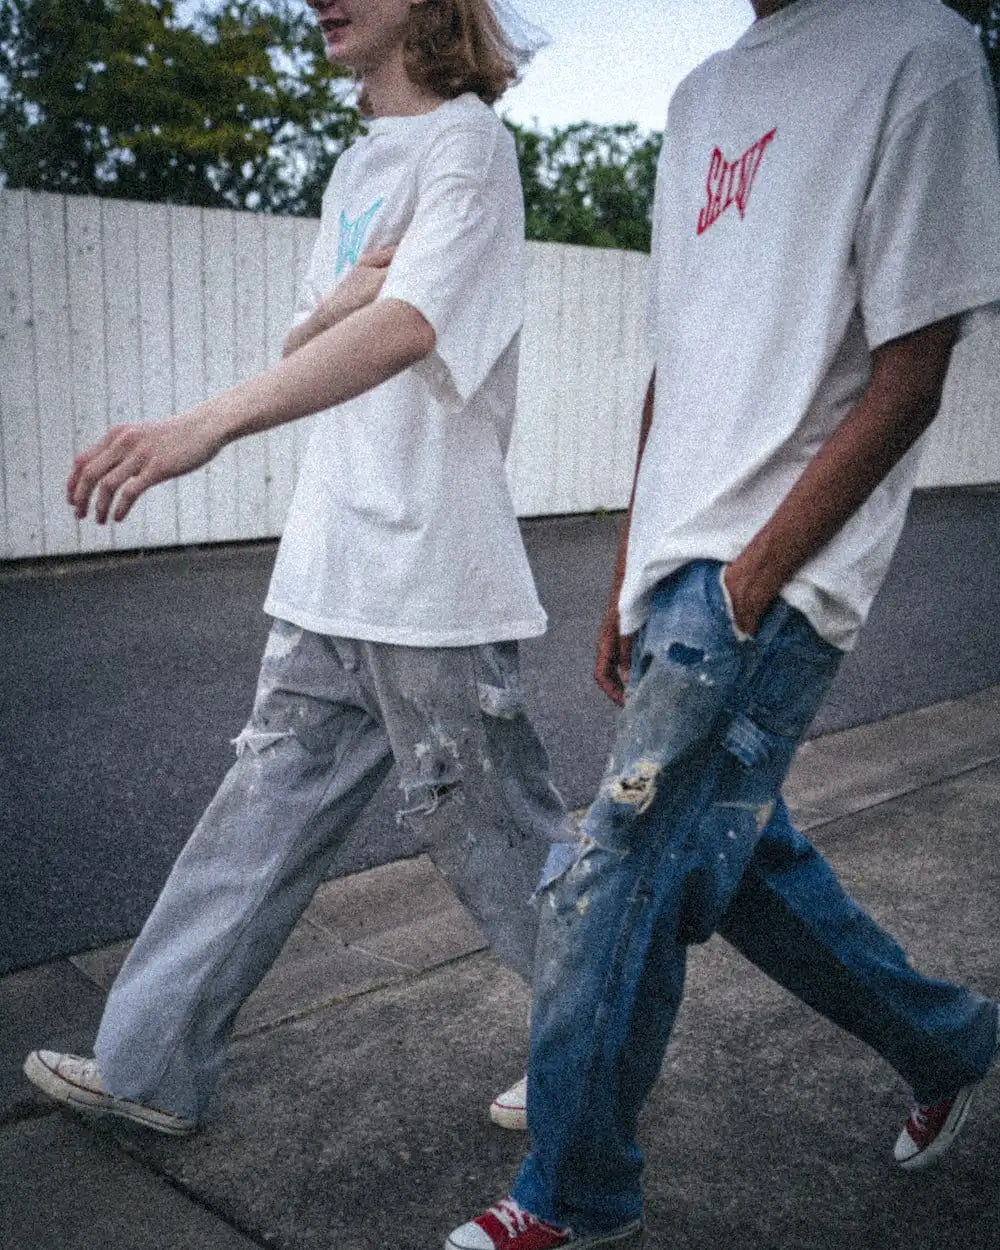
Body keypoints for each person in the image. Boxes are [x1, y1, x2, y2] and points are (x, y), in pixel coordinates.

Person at [449, 0, 1000, 1246]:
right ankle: (952, 1039)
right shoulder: (701, 93)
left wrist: (753, 578)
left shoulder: (919, 50)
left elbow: (913, 372)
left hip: (770, 573)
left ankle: (572, 1196)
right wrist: (627, 577)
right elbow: (675, 361)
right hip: (680, 571)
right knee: (742, 866)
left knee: (615, 870)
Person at [23, 0, 574, 1134]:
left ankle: (599, 1047)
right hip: (332, 558)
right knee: (255, 822)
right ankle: (147, 1067)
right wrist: (345, 297)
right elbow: (310, 341)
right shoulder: (359, 162)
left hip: (427, 571)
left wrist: (207, 422)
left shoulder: (469, 145)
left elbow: (412, 326)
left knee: (501, 842)